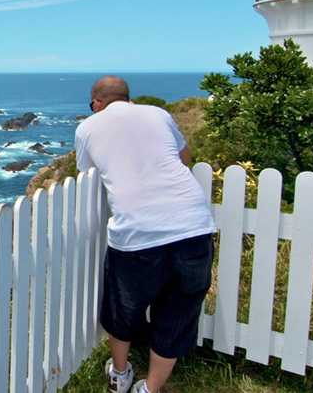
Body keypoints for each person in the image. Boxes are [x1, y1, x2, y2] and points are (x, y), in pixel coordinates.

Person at [74, 76, 216, 393]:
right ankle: (150, 389)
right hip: (193, 226)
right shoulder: (159, 114)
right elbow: (184, 157)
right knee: (177, 313)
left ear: (96, 103)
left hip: (138, 232)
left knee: (123, 308)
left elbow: (86, 175)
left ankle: (120, 374)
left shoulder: (87, 128)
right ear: (129, 98)